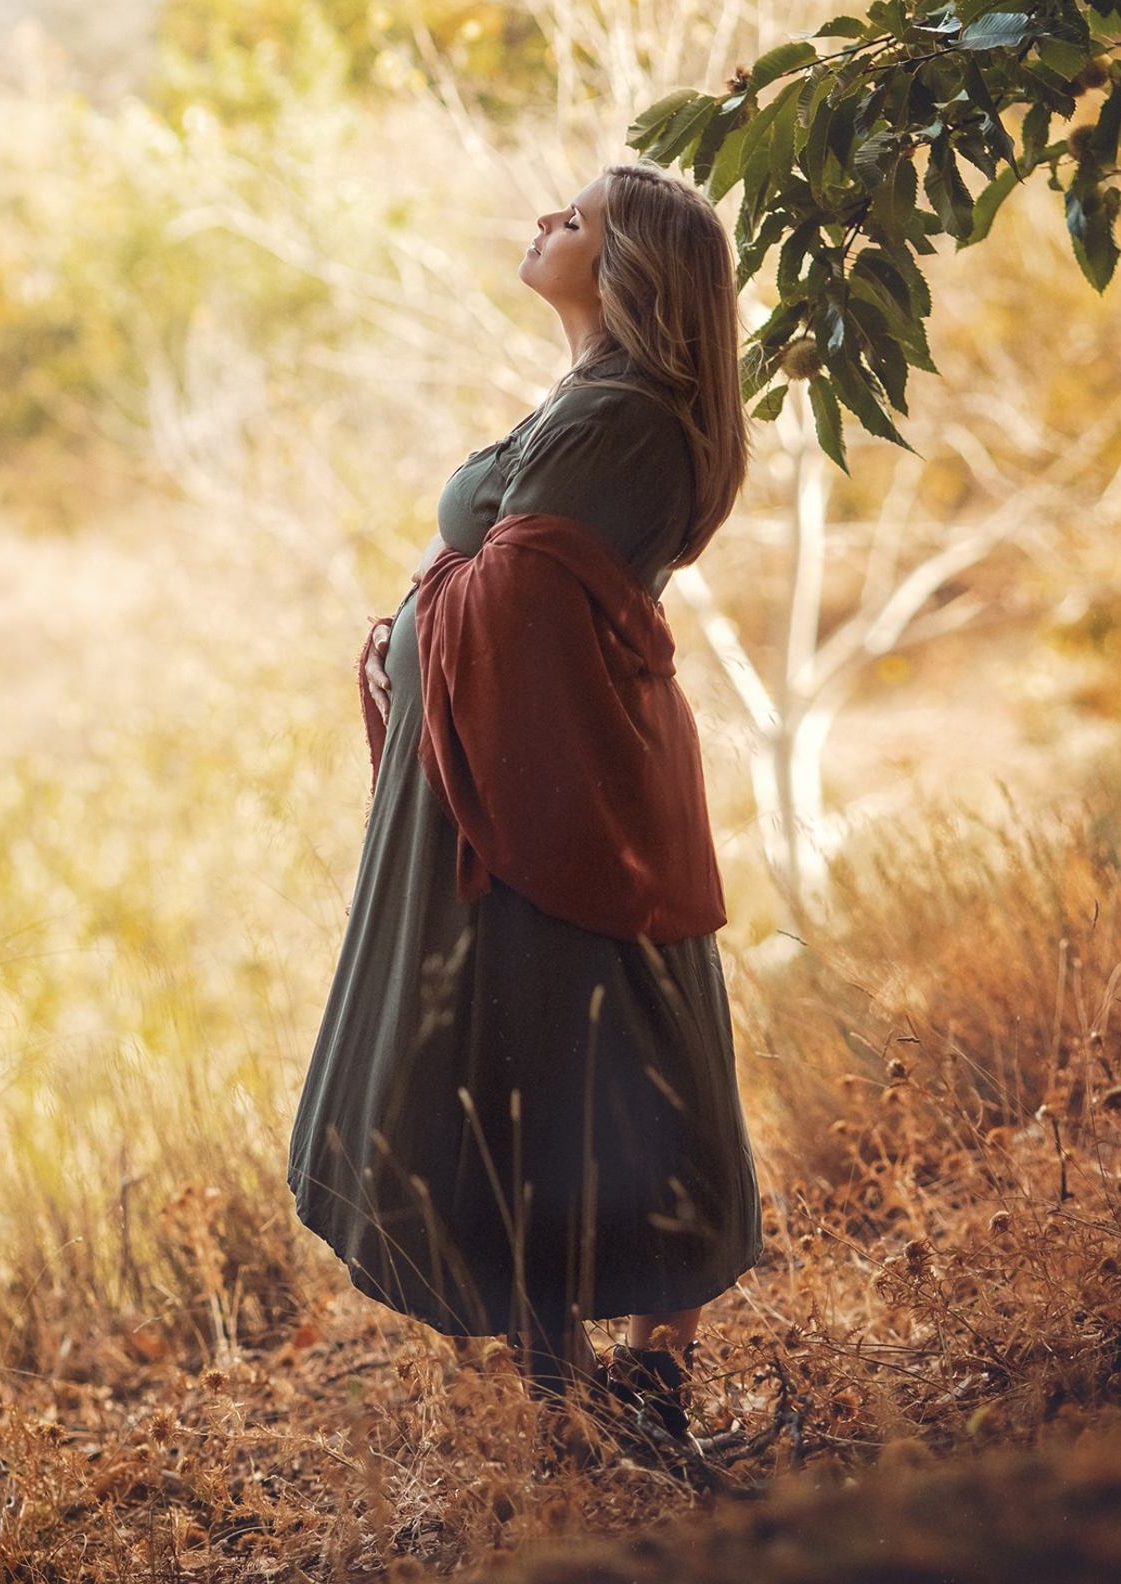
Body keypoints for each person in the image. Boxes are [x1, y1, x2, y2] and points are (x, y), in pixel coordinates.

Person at [288, 161, 758, 1445]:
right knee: (528, 1034)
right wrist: (427, 629)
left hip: (561, 770)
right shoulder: (588, 402)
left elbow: (524, 596)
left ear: (629, 267)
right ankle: (570, 1388)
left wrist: (410, 634)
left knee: (605, 1023)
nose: (546, 221)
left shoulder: (627, 421)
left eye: (580, 218)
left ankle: (652, 1359)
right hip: (527, 755)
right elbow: (512, 576)